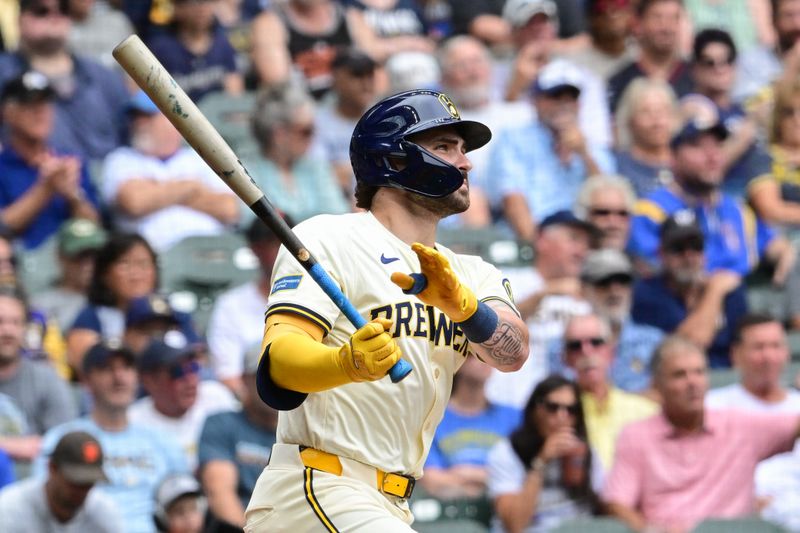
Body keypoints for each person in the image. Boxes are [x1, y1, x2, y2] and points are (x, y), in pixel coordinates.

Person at [244, 89, 529, 531]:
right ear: (393, 160)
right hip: (321, 484)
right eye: (444, 147)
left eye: (463, 149)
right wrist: (346, 363)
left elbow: (513, 353)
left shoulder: (472, 273)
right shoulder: (329, 238)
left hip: (393, 501)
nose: (466, 162)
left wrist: (464, 307)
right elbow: (278, 365)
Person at [602, 335, 800, 532]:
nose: (692, 382)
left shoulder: (739, 425)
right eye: (679, 375)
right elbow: (617, 502)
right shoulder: (636, 435)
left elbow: (794, 425)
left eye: (699, 372)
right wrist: (649, 530)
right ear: (657, 385)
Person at [628, 97, 796, 280]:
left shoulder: (737, 210)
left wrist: (786, 253)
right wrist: (717, 287)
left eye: (717, 145)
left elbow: (774, 245)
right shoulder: (650, 213)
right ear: (673, 156)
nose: (712, 156)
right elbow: (656, 277)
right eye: (698, 146)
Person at [36, 341, 188, 533]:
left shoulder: (163, 441)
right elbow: (44, 506)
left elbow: (187, 506)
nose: (119, 377)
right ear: (86, 380)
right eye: (106, 369)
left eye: (126, 367)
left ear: (137, 376)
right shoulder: (63, 438)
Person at [489, 59, 614, 242]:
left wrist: (584, 154)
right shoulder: (513, 139)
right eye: (555, 96)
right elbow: (512, 197)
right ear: (536, 100)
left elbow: (610, 201)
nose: (564, 104)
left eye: (571, 97)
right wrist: (538, 249)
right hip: (531, 241)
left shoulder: (593, 148)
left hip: (586, 242)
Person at [101, 90, 240, 253]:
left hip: (212, 254)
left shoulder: (201, 157)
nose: (138, 123)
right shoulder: (121, 159)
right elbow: (134, 202)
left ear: (173, 120)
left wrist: (157, 192)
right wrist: (191, 188)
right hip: (155, 257)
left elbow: (230, 209)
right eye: (135, 117)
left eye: (147, 116)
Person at [485, 210, 593, 409]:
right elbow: (489, 329)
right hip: (507, 401)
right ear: (542, 239)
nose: (582, 250)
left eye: (586, 243)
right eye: (574, 239)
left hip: (563, 409)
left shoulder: (587, 296)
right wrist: (544, 293)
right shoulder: (507, 278)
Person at [0, 0, 129, 161]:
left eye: (63, 9)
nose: (55, 16)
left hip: (109, 178)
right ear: (19, 19)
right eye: (41, 10)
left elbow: (131, 136)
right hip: (32, 178)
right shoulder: (4, 73)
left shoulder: (104, 76)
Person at [436, 35, 533, 227]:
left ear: (490, 68)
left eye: (477, 62)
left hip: (523, 204)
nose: (473, 71)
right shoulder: (439, 125)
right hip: (468, 210)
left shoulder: (522, 114)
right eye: (462, 65)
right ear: (444, 78)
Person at [632, 211, 747, 368]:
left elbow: (744, 349)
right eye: (678, 248)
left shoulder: (731, 292)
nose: (688, 255)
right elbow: (687, 347)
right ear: (661, 254)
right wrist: (714, 293)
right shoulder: (648, 293)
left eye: (696, 246)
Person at [0, 70, 100, 249]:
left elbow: (94, 226)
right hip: (19, 268)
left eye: (45, 103)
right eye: (29, 105)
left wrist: (73, 195)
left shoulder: (70, 162)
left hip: (70, 264)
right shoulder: (3, 167)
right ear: (8, 112)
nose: (40, 112)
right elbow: (3, 225)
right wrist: (46, 188)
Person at [487, 375, 600, 533]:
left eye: (571, 410)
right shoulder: (508, 451)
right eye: (553, 407)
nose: (562, 417)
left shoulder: (584, 450)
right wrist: (541, 461)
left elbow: (607, 501)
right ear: (535, 410)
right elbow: (514, 525)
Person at [555, 313, 659, 471]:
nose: (587, 351)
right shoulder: (559, 414)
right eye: (575, 346)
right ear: (565, 358)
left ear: (612, 351)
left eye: (596, 342)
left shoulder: (646, 411)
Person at [244, 84, 349, 226]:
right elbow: (252, 222)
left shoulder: (316, 167)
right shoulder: (248, 171)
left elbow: (337, 216)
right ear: (279, 134)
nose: (314, 136)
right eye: (306, 131)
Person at [198, 344, 278, 530]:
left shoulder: (304, 433)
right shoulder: (221, 424)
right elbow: (220, 493)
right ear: (244, 379)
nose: (273, 381)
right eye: (263, 374)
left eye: (280, 373)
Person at [422, 353, 521, 500]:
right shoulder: (433, 417)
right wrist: (495, 478)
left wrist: (463, 474)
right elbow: (430, 480)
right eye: (475, 355)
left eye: (489, 355)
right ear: (456, 361)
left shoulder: (514, 416)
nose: (485, 361)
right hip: (452, 511)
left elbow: (523, 475)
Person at [130, 339, 238, 471]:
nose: (190, 380)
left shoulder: (216, 396)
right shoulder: (133, 420)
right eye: (178, 372)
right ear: (149, 381)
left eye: (194, 367)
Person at [207, 217, 286, 398]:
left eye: (288, 243)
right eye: (275, 243)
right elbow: (228, 377)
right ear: (256, 249)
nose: (285, 252)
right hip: (256, 411)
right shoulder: (231, 305)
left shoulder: (316, 298)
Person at [689, 29, 772, 197]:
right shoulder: (693, 107)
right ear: (695, 68)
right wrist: (748, 129)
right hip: (724, 196)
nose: (720, 69)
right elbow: (708, 168)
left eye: (727, 61)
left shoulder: (743, 109)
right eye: (709, 62)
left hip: (763, 189)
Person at [67, 232, 159, 374]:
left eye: (143, 264)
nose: (135, 274)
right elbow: (86, 366)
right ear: (104, 273)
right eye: (125, 264)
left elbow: (199, 359)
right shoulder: (91, 316)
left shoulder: (173, 313)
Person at [576, 250, 663, 393]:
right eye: (604, 282)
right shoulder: (569, 345)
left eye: (623, 281)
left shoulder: (654, 341)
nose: (614, 291)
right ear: (584, 289)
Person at [0, 430, 122, 533]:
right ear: (52, 468)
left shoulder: (103, 513)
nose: (81, 490)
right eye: (75, 482)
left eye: (88, 483)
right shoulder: (11, 508)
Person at [0, 287, 77, 441]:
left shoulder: (47, 379)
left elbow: (63, 443)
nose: (8, 331)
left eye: (16, 322)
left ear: (25, 328)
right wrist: (15, 446)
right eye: (0, 322)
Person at [311, 47, 379, 200]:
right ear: (336, 78)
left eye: (370, 75)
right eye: (357, 75)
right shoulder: (317, 122)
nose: (366, 83)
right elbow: (320, 173)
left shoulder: (385, 119)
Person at [146, 0, 243, 103]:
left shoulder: (223, 44)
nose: (202, 8)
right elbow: (142, 94)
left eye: (208, 2)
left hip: (217, 115)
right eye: (193, 2)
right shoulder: (161, 49)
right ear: (177, 8)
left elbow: (234, 94)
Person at [606, 0, 693, 112]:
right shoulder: (619, 82)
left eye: (674, 18)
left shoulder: (698, 77)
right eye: (657, 18)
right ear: (638, 24)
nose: (666, 28)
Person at [706, 313, 800, 412]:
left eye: (776, 346)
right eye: (758, 347)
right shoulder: (713, 407)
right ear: (736, 354)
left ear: (787, 352)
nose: (768, 356)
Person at [31, 217, 107, 332]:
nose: (89, 264)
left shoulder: (116, 298)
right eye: (80, 256)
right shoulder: (42, 305)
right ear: (60, 256)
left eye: (96, 256)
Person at [748, 78, 800, 227]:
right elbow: (771, 210)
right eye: (789, 112)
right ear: (778, 118)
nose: (797, 119)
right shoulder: (764, 157)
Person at [613, 78, 678, 197]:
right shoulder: (615, 166)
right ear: (629, 119)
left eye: (662, 111)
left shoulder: (686, 163)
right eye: (645, 112)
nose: (657, 121)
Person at [734, 0, 800, 103]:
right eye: (789, 15)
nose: (797, 24)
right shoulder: (751, 61)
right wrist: (790, 69)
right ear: (774, 20)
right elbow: (748, 104)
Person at [560, 0, 637, 81]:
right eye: (602, 6)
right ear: (591, 17)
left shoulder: (642, 56)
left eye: (620, 3)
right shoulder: (574, 65)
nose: (611, 12)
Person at [574, 175, 636, 251]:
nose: (614, 223)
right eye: (603, 213)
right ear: (584, 217)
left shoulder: (642, 262)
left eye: (622, 214)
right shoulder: (568, 262)